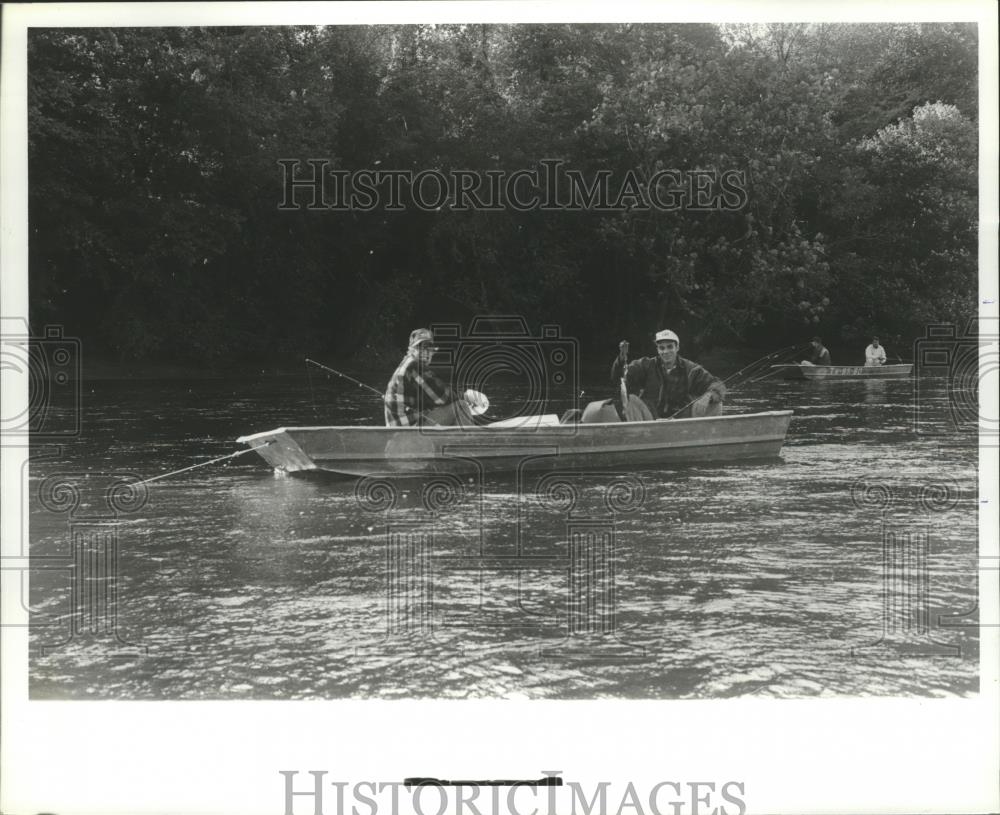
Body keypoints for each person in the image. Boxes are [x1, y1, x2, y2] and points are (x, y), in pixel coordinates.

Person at [610, 329, 725, 420]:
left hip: (681, 419)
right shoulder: (646, 365)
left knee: (715, 403)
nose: (665, 351)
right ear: (658, 350)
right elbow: (618, 377)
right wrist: (621, 359)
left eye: (670, 347)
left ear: (677, 347)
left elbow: (718, 385)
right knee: (632, 399)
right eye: (662, 348)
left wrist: (709, 395)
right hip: (650, 418)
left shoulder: (691, 369)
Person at [384, 328, 473, 427]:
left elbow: (433, 398)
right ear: (412, 349)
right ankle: (468, 440)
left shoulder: (407, 364)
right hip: (407, 432)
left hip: (399, 431)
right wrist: (466, 396)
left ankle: (461, 438)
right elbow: (441, 397)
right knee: (461, 406)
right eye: (421, 348)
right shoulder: (414, 366)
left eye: (429, 348)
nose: (425, 352)